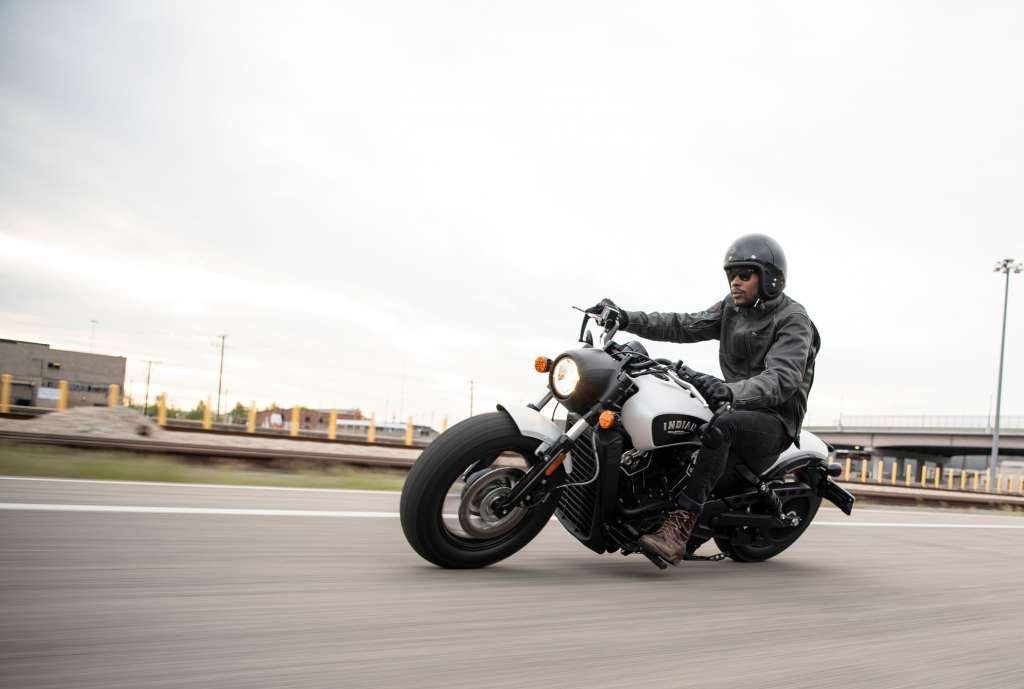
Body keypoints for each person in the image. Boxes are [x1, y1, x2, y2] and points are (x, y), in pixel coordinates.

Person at [587, 234, 820, 564]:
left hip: (774, 419)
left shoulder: (793, 319)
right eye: (731, 275)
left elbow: (782, 379)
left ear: (770, 278)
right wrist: (626, 318)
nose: (735, 282)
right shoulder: (732, 308)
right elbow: (683, 325)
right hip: (737, 402)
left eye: (744, 274)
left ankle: (678, 530)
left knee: (721, 428)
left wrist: (730, 392)